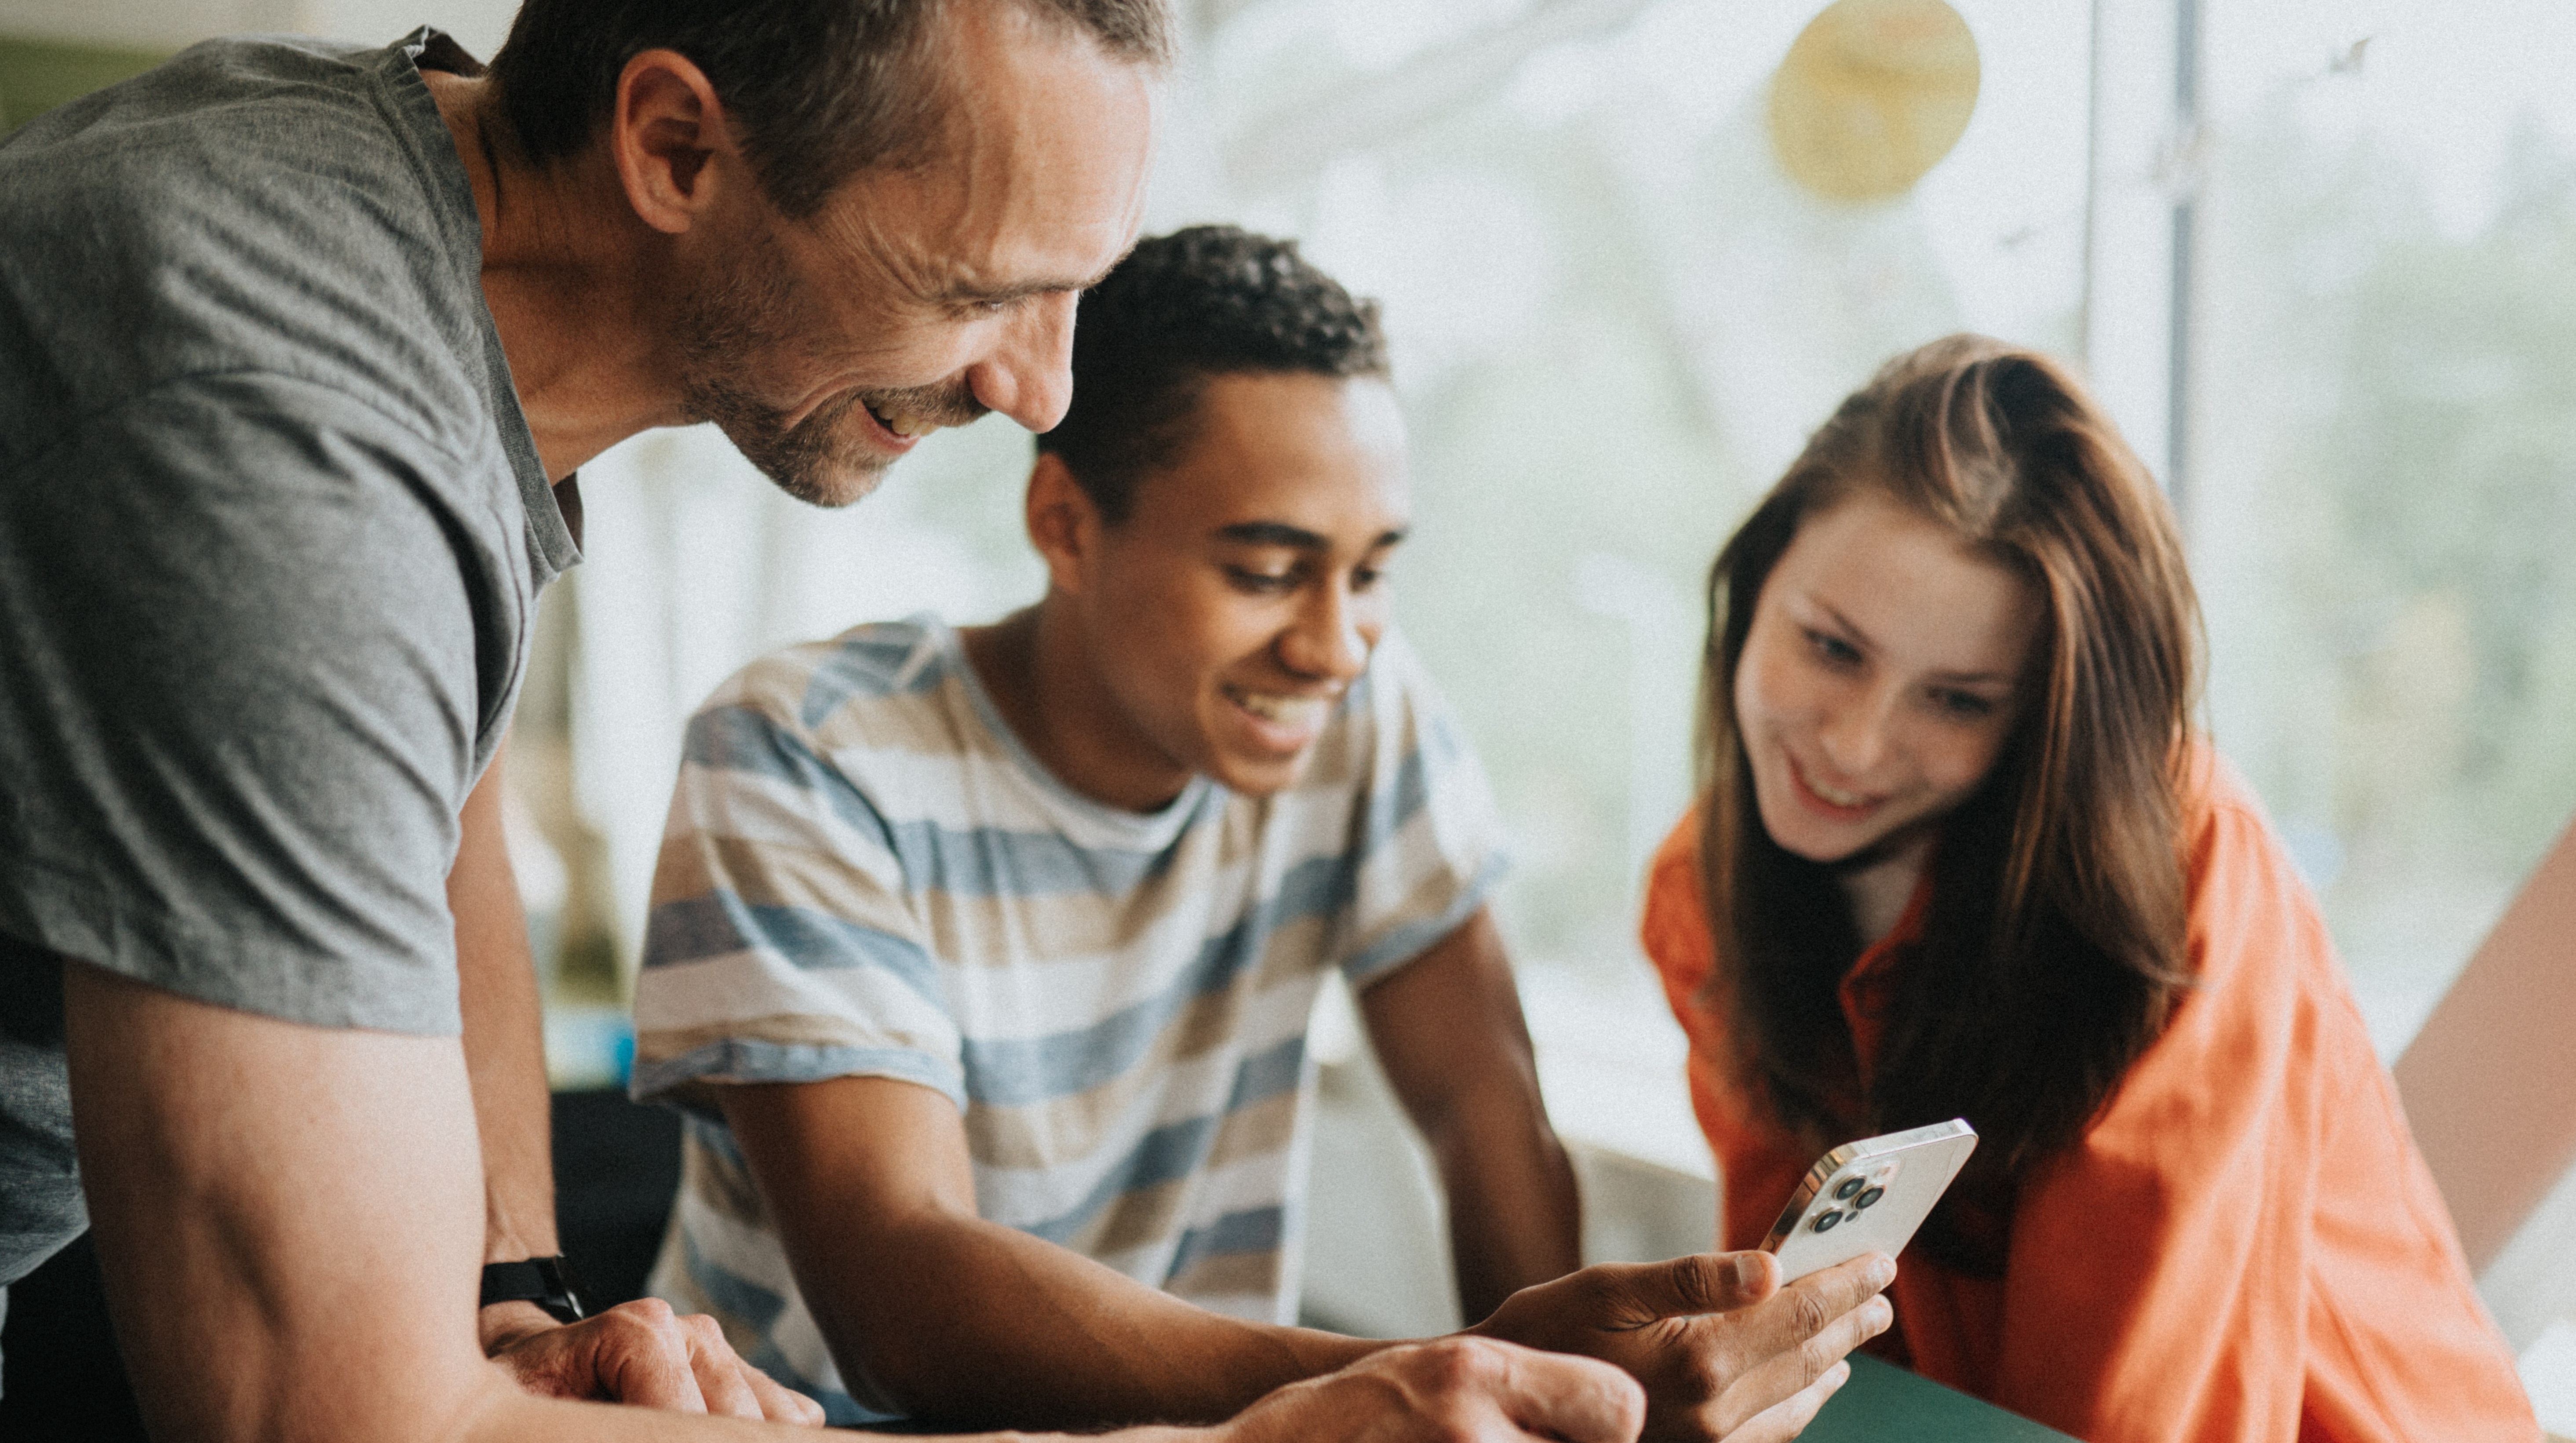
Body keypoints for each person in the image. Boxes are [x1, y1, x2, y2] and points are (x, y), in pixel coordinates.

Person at [0, 4, 1668, 1439]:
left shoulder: (396, 241)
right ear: (674, 146)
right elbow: (332, 1423)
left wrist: (510, 1300)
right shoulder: (283, 440)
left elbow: (450, 794)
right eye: (978, 287)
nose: (1044, 393)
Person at [628, 225, 1897, 1440]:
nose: (1334, 643)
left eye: (1370, 569)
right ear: (1063, 523)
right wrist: (1449, 1378)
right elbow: (893, 1294)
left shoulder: (1358, 713)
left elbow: (1479, 1101)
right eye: (1266, 570)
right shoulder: (803, 750)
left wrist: (1580, 1412)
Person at [1639, 334, 2543, 1440]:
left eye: (1958, 701)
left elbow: (2135, 1403)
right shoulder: (1697, 890)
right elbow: (1785, 1335)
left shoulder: (2178, 864)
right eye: (1830, 647)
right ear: (1751, 585)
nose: (1857, 745)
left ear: (2046, 717)